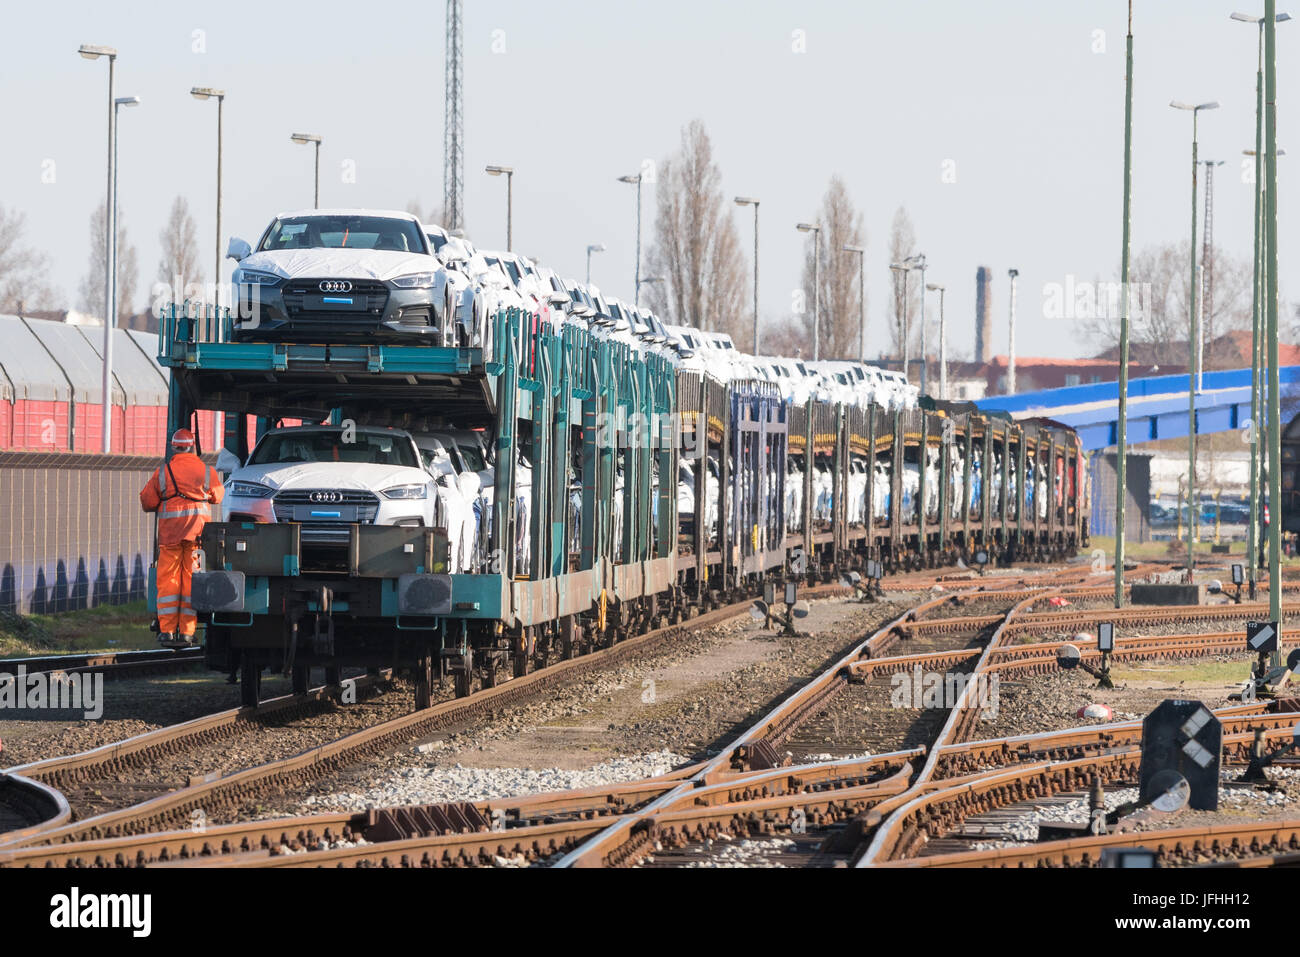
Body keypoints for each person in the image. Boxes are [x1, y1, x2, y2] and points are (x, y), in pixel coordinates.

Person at [139, 428, 224, 645]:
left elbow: (147, 502)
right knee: (192, 582)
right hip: (198, 536)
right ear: (193, 447)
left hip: (170, 536)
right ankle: (187, 632)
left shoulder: (163, 473)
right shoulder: (207, 472)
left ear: (173, 447)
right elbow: (218, 497)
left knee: (168, 581)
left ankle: (166, 631)